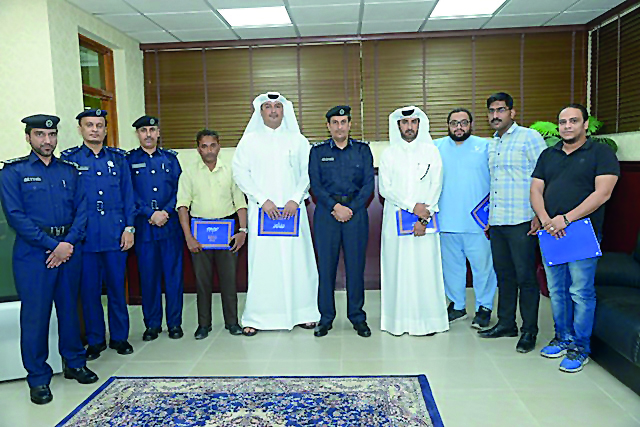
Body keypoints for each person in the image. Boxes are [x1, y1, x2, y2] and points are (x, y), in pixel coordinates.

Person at [0, 115, 98, 405]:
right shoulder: (13, 172)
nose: (47, 140)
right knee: (36, 317)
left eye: (52, 134)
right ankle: (38, 378)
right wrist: (53, 246)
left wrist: (67, 244)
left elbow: (83, 209)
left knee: (69, 311)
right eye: (40, 134)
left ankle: (74, 363)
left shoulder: (69, 171)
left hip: (68, 249)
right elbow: (15, 216)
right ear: (28, 137)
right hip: (34, 255)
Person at [530, 104, 619, 372]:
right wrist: (546, 219)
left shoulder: (601, 153)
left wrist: (566, 219)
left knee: (580, 292)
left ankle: (581, 347)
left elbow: (602, 193)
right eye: (562, 122)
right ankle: (562, 337)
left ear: (584, 124)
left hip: (581, 232)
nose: (567, 126)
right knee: (556, 290)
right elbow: (535, 189)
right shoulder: (548, 154)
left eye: (573, 121)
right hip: (550, 232)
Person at [232, 92, 320, 336]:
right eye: (268, 107)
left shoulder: (298, 140)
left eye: (278, 106)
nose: (273, 111)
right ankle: (258, 317)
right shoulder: (249, 141)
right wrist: (262, 200)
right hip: (263, 214)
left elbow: (308, 172)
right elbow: (240, 173)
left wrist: (294, 199)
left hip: (293, 212)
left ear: (284, 111)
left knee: (297, 261)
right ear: (260, 111)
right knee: (264, 264)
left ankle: (303, 312)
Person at [61, 109, 136, 359]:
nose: (94, 129)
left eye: (99, 125)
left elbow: (128, 196)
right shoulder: (70, 160)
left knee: (117, 289)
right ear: (80, 129)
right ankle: (95, 340)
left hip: (115, 236)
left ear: (105, 129)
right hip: (86, 238)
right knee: (90, 292)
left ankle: (119, 337)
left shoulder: (118, 159)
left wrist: (129, 228)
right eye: (89, 125)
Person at [477, 93, 547, 354]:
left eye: (501, 110)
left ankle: (530, 330)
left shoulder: (529, 138)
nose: (495, 115)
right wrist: (490, 220)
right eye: (491, 111)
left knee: (526, 277)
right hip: (498, 222)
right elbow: (495, 185)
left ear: (512, 112)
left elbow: (544, 177)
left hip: (522, 220)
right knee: (504, 275)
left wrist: (539, 214)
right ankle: (507, 323)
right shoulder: (493, 143)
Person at [379, 106, 448, 336]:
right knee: (397, 268)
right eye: (405, 122)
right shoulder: (389, 154)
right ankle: (397, 322)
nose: (409, 127)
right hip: (395, 220)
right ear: (398, 125)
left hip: (424, 222)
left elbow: (436, 186)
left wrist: (422, 217)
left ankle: (429, 322)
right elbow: (385, 189)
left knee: (424, 269)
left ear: (420, 124)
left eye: (413, 122)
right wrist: (412, 206)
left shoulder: (432, 152)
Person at [309, 106, 375, 338]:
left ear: (349, 124)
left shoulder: (362, 150)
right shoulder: (317, 152)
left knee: (355, 267)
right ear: (328, 126)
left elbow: (368, 185)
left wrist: (350, 209)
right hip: (327, 214)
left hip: (356, 214)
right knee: (326, 268)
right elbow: (315, 186)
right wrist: (336, 207)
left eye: (343, 121)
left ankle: (357, 317)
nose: (339, 126)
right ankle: (326, 318)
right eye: (335, 122)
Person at [177, 129, 247, 339]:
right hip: (200, 232)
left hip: (226, 231)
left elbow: (240, 203)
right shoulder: (189, 172)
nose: (209, 150)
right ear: (198, 148)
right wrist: (189, 237)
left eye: (212, 145)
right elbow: (182, 206)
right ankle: (203, 325)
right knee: (202, 281)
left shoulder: (231, 171)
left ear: (219, 146)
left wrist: (242, 231)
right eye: (204, 146)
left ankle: (232, 322)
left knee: (229, 280)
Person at [434, 108, 497, 329]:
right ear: (448, 125)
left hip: (479, 223)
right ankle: (457, 305)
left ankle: (484, 307)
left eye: (463, 123)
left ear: (471, 124)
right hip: (447, 221)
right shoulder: (436, 147)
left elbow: (497, 182)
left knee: (483, 269)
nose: (458, 127)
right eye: (454, 123)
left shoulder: (487, 147)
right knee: (452, 268)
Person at [126, 115, 184, 341]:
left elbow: (181, 189)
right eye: (143, 131)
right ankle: (152, 324)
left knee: (173, 277)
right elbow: (128, 192)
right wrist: (150, 213)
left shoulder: (170, 159)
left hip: (170, 227)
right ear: (138, 134)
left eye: (152, 130)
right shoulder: (129, 160)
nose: (148, 134)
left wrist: (166, 211)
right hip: (144, 227)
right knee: (148, 278)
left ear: (158, 133)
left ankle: (174, 323)